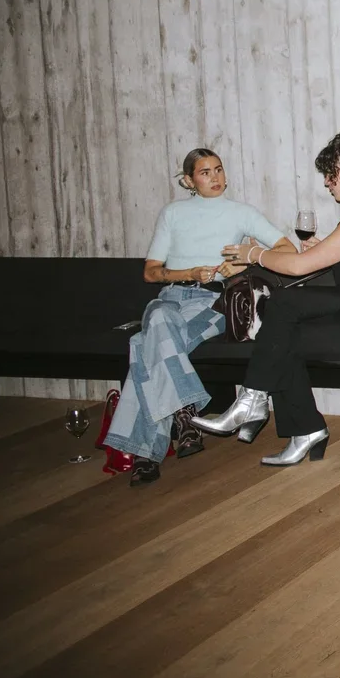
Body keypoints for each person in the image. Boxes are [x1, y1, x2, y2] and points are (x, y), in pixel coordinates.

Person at [193, 121, 340, 466]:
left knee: (282, 338)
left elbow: (298, 267)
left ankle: (281, 415)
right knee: (282, 303)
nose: (326, 182)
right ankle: (258, 402)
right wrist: (325, 248)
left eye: (330, 174)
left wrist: (254, 254)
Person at [101, 149, 295, 486]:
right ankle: (186, 415)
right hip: (171, 297)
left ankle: (148, 454)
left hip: (214, 303)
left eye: (218, 170)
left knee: (145, 342)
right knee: (157, 322)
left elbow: (287, 250)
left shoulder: (240, 212)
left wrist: (248, 260)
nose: (216, 177)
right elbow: (150, 273)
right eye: (205, 172)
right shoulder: (173, 213)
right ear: (189, 180)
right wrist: (189, 271)